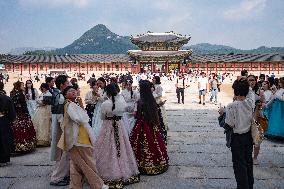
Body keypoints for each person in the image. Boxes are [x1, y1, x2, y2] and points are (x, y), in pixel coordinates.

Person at [57, 86, 108, 189]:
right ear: (65, 95)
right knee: (88, 161)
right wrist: (82, 110)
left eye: (74, 91)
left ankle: (75, 186)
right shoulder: (70, 105)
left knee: (75, 164)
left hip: (73, 137)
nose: (73, 92)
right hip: (78, 137)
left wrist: (80, 106)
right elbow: (80, 118)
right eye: (70, 91)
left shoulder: (71, 104)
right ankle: (97, 184)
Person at [94, 84, 140, 188]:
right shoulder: (122, 101)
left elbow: (102, 117)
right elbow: (124, 110)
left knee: (107, 147)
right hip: (119, 126)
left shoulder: (105, 103)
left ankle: (108, 171)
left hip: (108, 126)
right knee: (122, 147)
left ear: (107, 92)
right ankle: (125, 169)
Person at [219, 77, 254, 189]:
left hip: (237, 139)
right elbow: (251, 92)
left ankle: (242, 187)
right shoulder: (250, 102)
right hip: (248, 136)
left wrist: (222, 113)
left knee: (239, 165)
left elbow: (229, 123)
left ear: (235, 91)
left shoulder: (231, 106)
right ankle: (249, 185)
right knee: (248, 163)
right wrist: (245, 83)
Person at [130, 80, 169, 175]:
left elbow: (138, 115)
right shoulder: (152, 100)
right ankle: (157, 161)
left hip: (141, 124)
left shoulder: (140, 101)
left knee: (140, 143)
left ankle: (141, 163)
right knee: (154, 142)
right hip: (151, 124)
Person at [50, 75, 70, 186]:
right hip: (61, 129)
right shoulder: (60, 97)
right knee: (62, 154)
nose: (69, 85)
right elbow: (59, 116)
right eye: (67, 83)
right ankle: (57, 177)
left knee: (62, 154)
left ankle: (62, 174)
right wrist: (66, 129)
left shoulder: (58, 94)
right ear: (62, 85)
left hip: (59, 128)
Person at [10, 81, 37, 153]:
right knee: (24, 129)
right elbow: (24, 106)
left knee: (16, 129)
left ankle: (16, 146)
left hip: (15, 114)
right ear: (19, 86)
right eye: (22, 85)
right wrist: (27, 114)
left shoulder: (13, 93)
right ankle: (25, 146)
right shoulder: (21, 94)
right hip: (22, 114)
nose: (23, 86)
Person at [0, 82, 16, 166]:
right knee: (5, 139)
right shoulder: (7, 98)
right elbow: (11, 112)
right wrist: (11, 119)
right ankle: (4, 159)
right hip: (3, 120)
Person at [152, 76, 167, 143]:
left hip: (157, 101)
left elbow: (160, 94)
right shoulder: (152, 85)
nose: (153, 80)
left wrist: (153, 94)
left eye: (154, 79)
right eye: (152, 79)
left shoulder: (159, 86)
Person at [92, 77, 107, 141]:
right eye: (98, 84)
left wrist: (98, 96)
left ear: (104, 83)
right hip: (98, 107)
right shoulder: (99, 90)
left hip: (104, 106)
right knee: (97, 120)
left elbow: (105, 99)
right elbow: (94, 100)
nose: (99, 85)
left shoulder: (107, 90)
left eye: (100, 83)